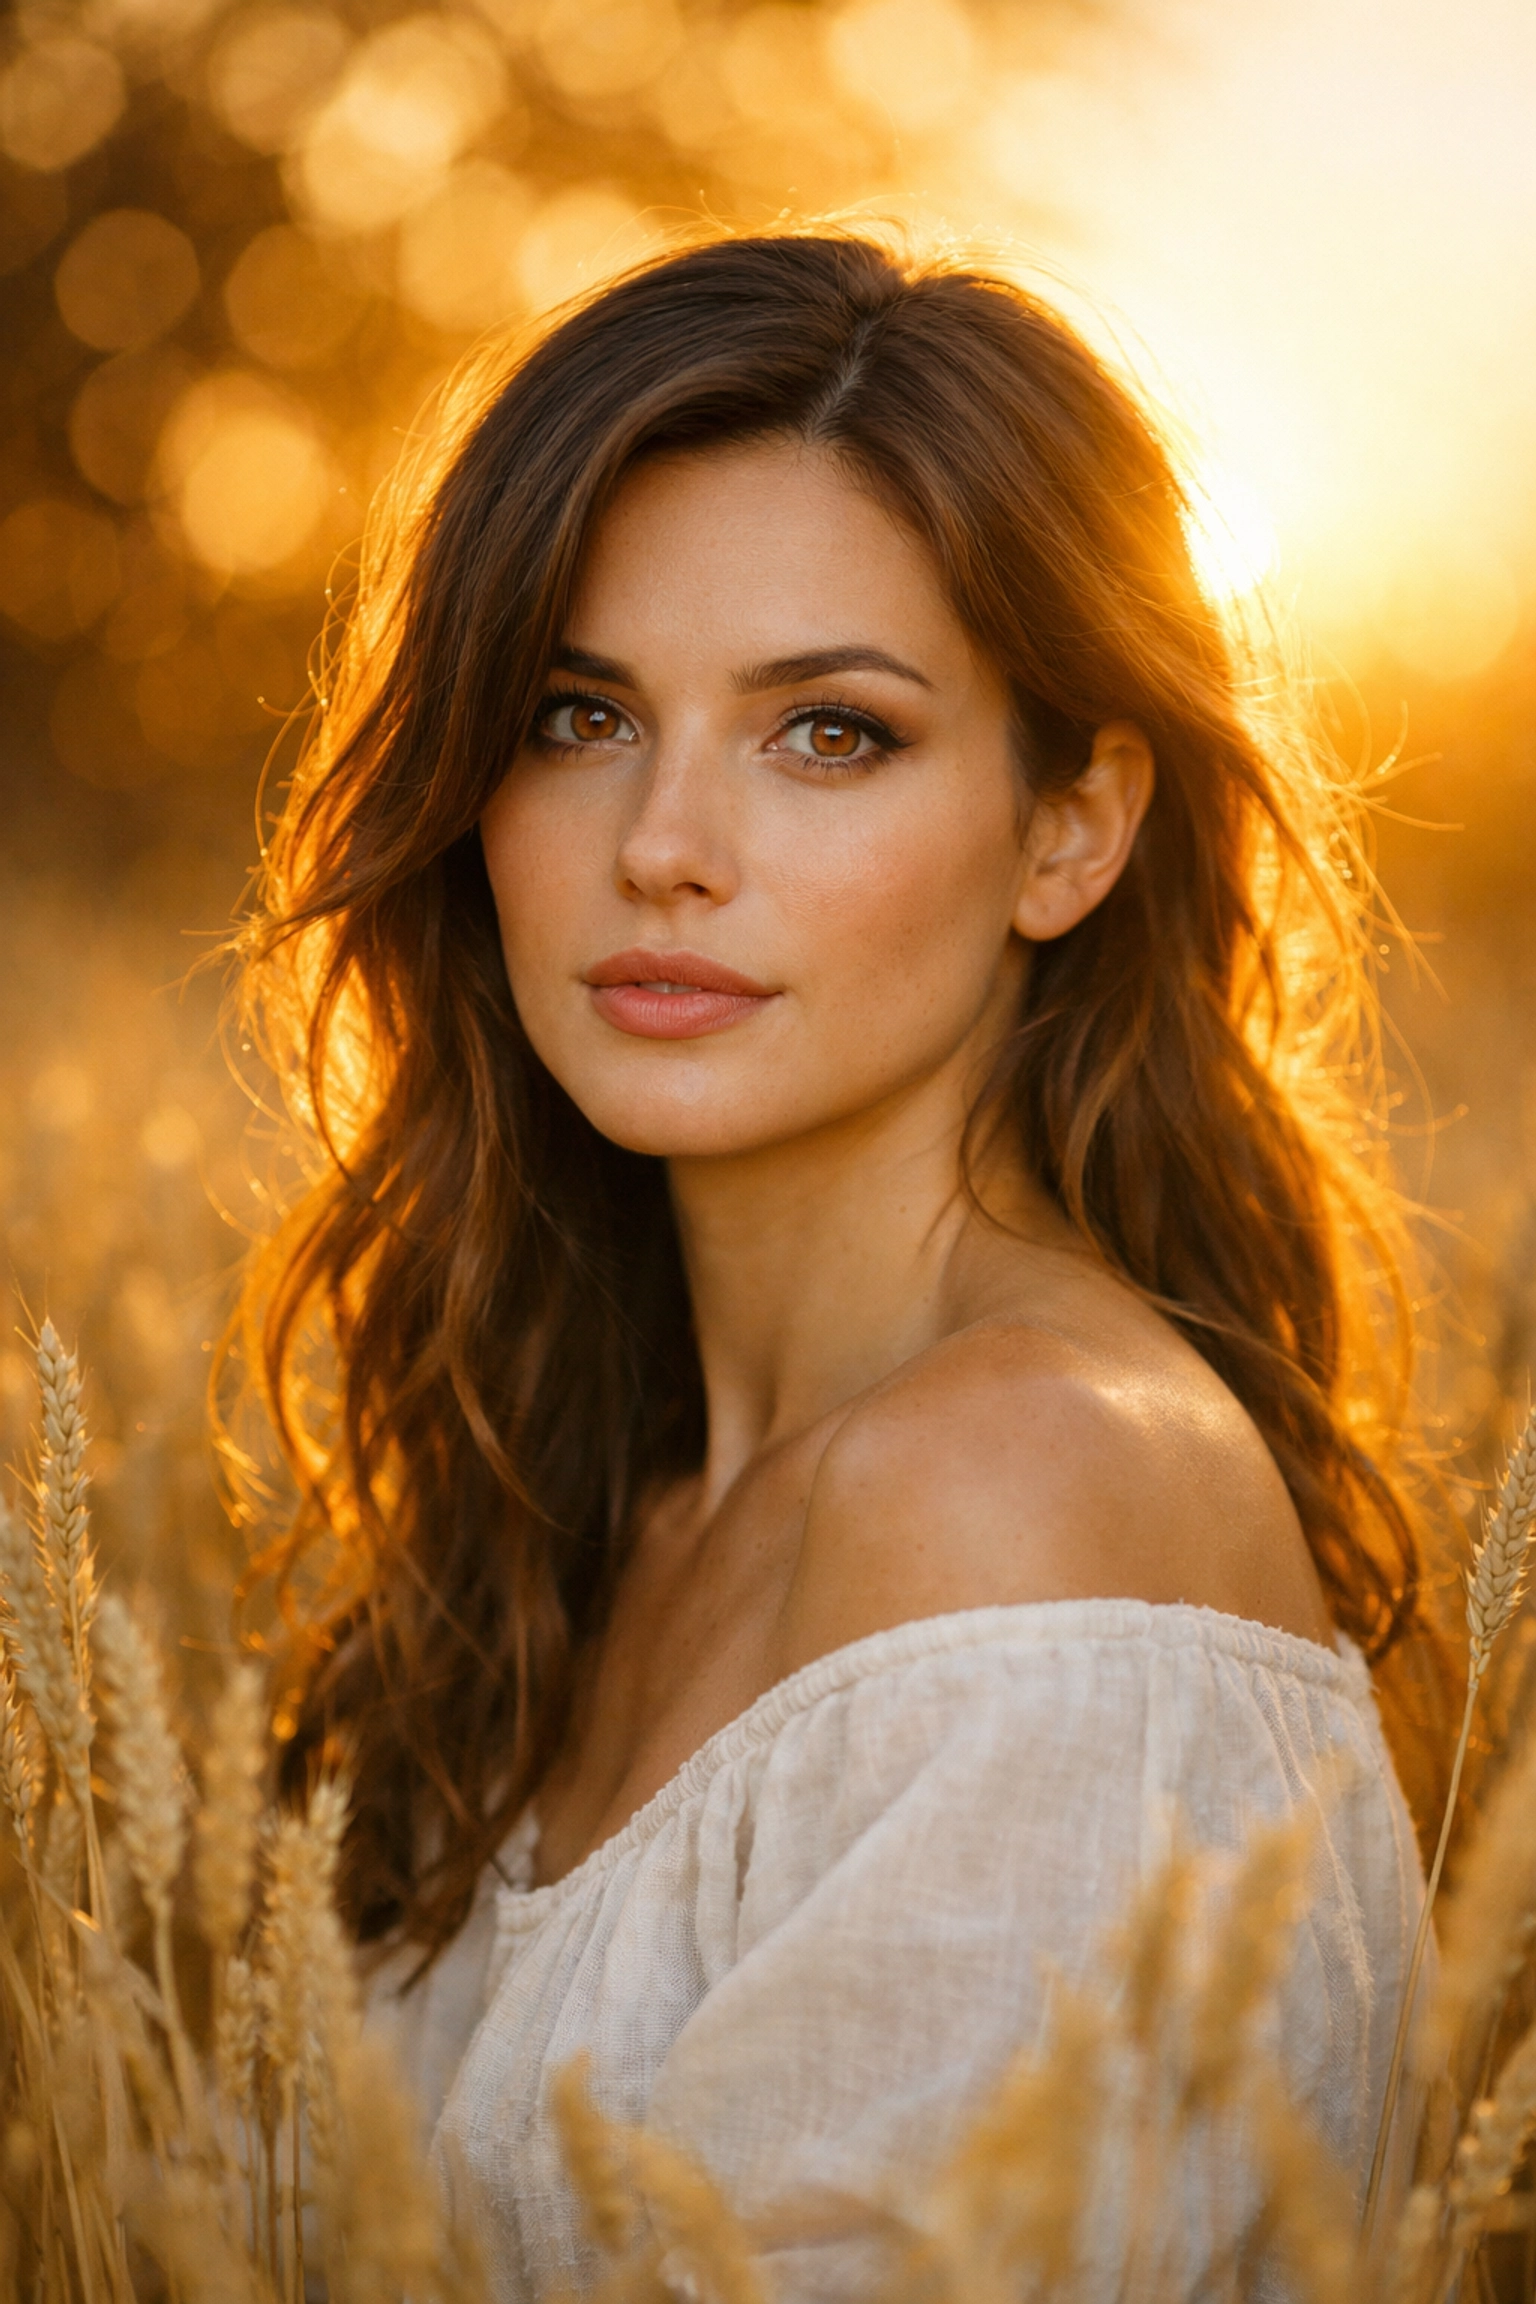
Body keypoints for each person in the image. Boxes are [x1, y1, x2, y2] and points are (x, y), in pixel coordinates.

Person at [231, 230, 1432, 2299]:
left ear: (1070, 829)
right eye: (574, 715)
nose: (664, 844)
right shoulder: (602, 1497)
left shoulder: (1018, 1489)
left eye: (830, 736)